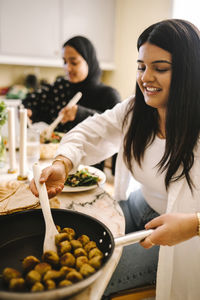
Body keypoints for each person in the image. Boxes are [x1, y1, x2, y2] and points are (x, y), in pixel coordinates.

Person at [30, 19, 200, 300]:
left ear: (190, 72)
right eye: (141, 66)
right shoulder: (135, 111)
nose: (146, 77)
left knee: (86, 281)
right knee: (63, 251)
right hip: (136, 208)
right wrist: (62, 163)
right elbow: (87, 133)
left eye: (160, 68)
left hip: (182, 237)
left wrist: (194, 224)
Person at [23, 36, 121, 133]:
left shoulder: (108, 95)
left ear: (89, 62)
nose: (67, 68)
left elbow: (117, 126)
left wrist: (80, 114)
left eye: (74, 63)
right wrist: (28, 112)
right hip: (55, 148)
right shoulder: (60, 87)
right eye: (65, 62)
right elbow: (32, 102)